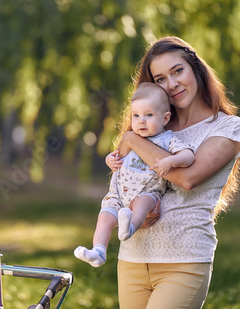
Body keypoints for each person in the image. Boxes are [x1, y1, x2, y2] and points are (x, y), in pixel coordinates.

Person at [106, 36, 240, 309]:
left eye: (177, 71)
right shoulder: (149, 124)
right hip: (133, 257)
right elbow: (124, 182)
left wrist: (134, 141)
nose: (171, 85)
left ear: (195, 68)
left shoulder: (227, 128)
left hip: (184, 259)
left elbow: (187, 178)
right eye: (160, 79)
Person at [74, 83, 195, 268]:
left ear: (165, 118)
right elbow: (116, 156)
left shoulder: (167, 140)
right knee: (104, 218)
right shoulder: (130, 137)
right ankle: (98, 251)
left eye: (149, 115)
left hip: (147, 191)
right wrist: (109, 160)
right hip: (118, 195)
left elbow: (188, 156)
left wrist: (171, 161)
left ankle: (129, 228)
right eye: (136, 115)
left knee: (143, 203)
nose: (141, 121)